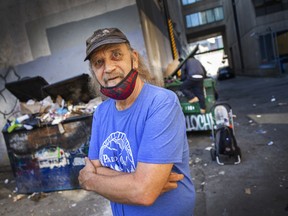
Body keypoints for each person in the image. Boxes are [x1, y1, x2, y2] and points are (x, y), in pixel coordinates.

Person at [78, 27, 195, 216]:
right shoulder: (101, 112)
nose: (108, 68)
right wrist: (141, 180)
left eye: (116, 55)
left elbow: (144, 192)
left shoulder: (161, 103)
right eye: (99, 62)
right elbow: (95, 166)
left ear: (133, 58)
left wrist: (91, 181)